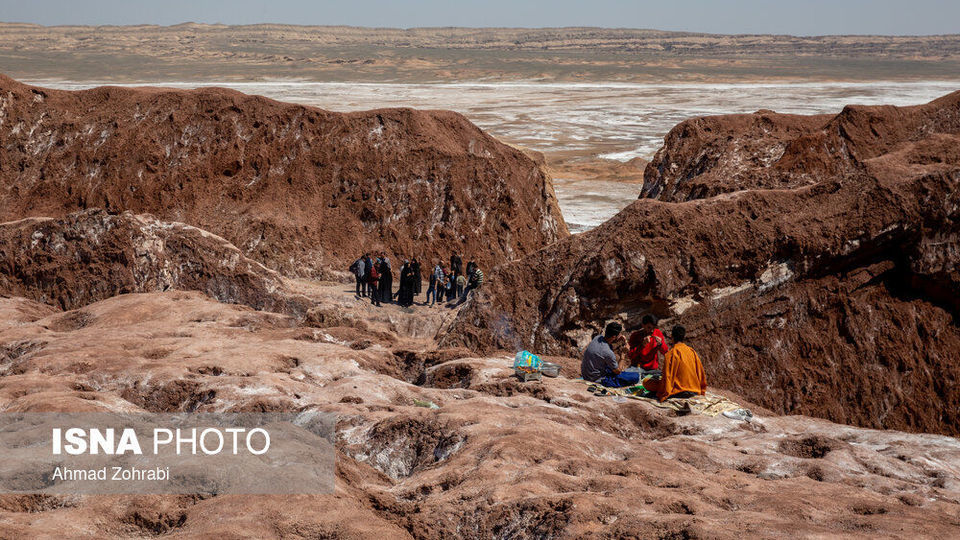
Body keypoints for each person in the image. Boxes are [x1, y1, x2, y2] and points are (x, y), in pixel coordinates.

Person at [643, 325, 707, 401]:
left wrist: (662, 394)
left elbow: (667, 378)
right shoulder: (692, 352)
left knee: (646, 382)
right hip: (695, 390)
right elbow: (701, 374)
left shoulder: (671, 354)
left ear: (672, 337)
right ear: (683, 337)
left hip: (677, 392)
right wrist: (701, 390)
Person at [580, 322, 637, 388]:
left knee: (613, 368)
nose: (621, 335)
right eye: (619, 334)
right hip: (596, 380)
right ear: (614, 337)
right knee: (635, 377)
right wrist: (623, 355)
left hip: (587, 374)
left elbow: (606, 351)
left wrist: (620, 341)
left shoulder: (597, 338)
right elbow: (618, 371)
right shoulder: (607, 352)